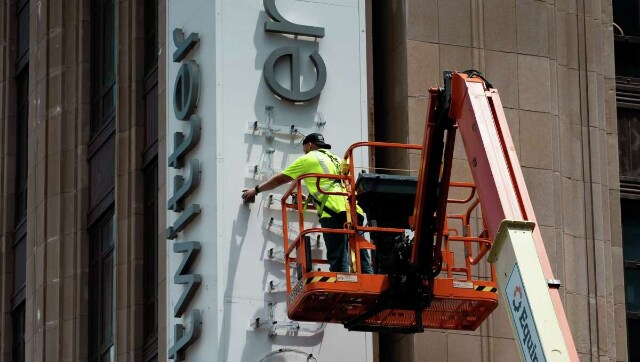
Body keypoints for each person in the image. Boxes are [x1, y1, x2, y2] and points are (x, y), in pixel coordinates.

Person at [242, 133, 373, 274]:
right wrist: (309, 199)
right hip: (353, 209)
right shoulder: (338, 159)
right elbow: (333, 185)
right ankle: (369, 283)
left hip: (333, 212)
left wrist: (256, 190)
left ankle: (344, 285)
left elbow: (280, 179)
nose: (304, 151)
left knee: (338, 258)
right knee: (361, 256)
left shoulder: (308, 158)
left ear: (309, 145)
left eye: (304, 148)